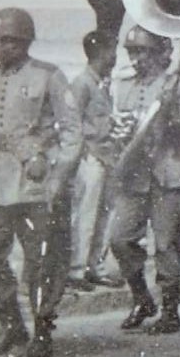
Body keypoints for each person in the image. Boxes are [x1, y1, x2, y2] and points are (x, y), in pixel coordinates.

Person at [0, 8, 82, 357]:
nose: (3, 47)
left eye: (11, 41)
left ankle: (43, 331)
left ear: (27, 41)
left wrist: (60, 176)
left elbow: (72, 132)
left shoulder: (49, 76)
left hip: (37, 184)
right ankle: (10, 323)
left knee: (42, 261)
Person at [106, 26, 180, 334]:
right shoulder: (123, 87)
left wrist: (173, 115)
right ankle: (141, 298)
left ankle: (170, 309)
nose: (136, 59)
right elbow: (119, 128)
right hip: (134, 175)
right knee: (120, 239)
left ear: (162, 53)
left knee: (166, 245)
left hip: (169, 173)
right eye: (132, 51)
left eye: (142, 51)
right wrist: (119, 131)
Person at [63, 32, 122, 291]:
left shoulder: (101, 84)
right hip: (90, 157)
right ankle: (76, 270)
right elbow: (72, 123)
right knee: (85, 215)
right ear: (101, 52)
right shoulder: (82, 84)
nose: (115, 55)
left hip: (106, 155)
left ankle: (96, 267)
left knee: (105, 216)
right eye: (112, 49)